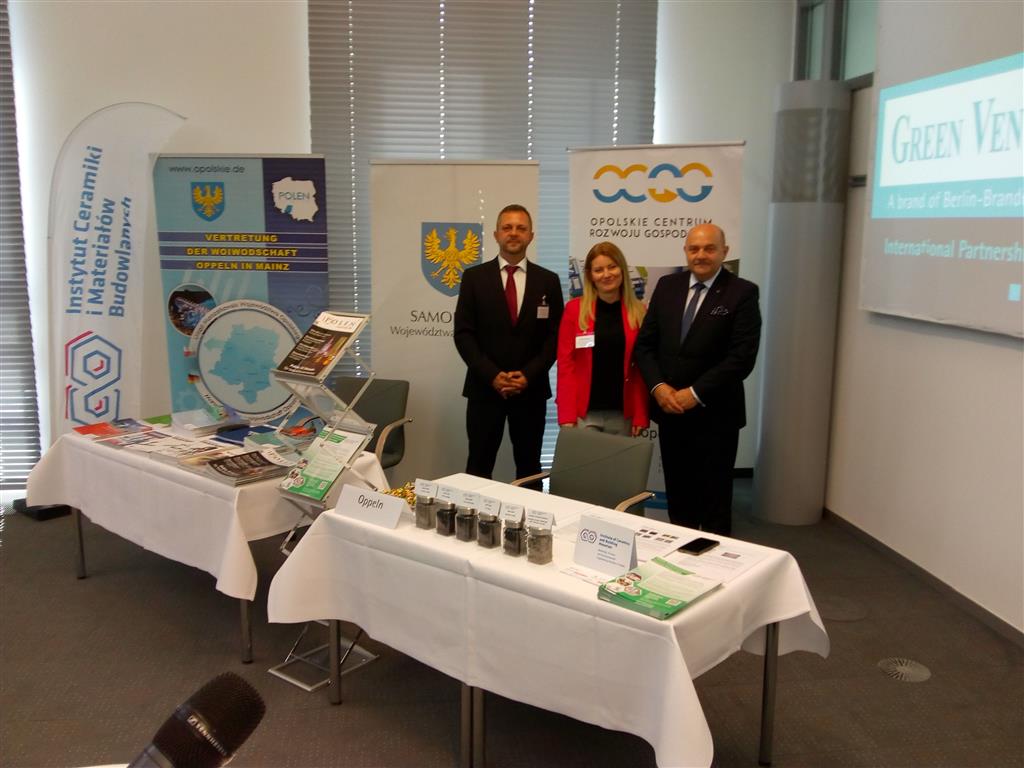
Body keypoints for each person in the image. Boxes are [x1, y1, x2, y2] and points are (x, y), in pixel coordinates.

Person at [634, 223, 761, 535]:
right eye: (694, 249)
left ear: (724, 252)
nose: (700, 255)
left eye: (709, 248)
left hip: (716, 417)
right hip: (671, 413)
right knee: (679, 497)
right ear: (686, 252)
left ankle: (715, 560)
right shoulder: (667, 286)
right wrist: (658, 387)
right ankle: (680, 553)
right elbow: (645, 346)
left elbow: (741, 358)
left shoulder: (742, 293)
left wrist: (695, 393)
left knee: (715, 502)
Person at [453, 204, 564, 482]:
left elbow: (555, 337)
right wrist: (492, 375)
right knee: (478, 467)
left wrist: (527, 375)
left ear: (531, 236)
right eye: (507, 227)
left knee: (530, 469)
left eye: (521, 228)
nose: (514, 233)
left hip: (531, 392)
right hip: (484, 390)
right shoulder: (474, 278)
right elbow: (463, 334)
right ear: (496, 234)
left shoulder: (548, 281)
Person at [556, 241, 648, 436]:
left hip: (623, 415)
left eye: (612, 267)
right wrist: (566, 414)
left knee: (620, 459)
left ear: (622, 270)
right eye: (598, 270)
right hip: (583, 414)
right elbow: (566, 366)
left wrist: (641, 414)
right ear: (590, 275)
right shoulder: (574, 310)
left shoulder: (639, 313)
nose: (606, 274)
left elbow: (641, 369)